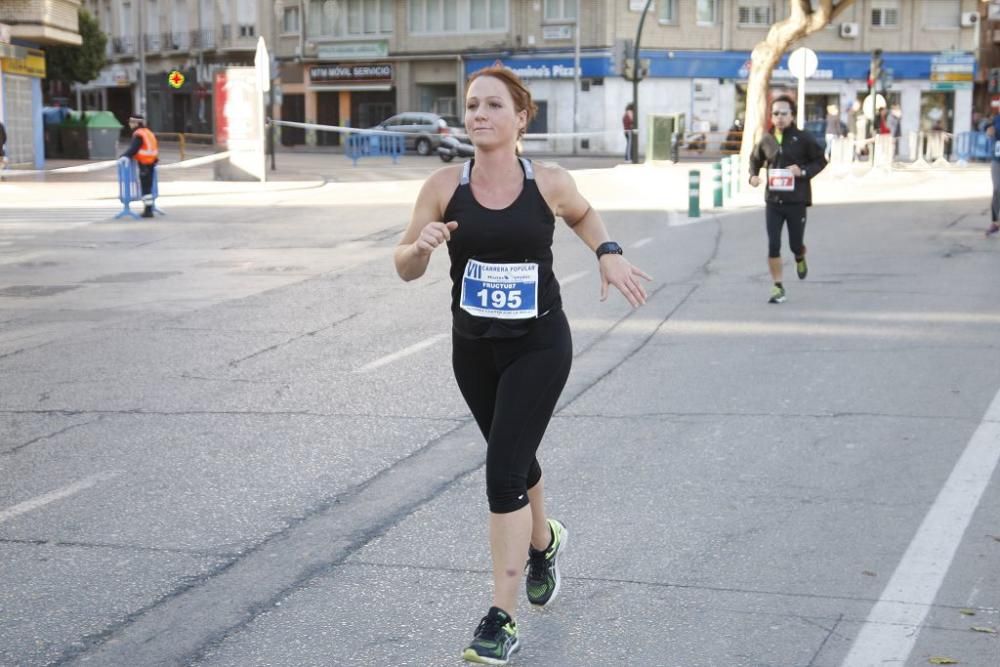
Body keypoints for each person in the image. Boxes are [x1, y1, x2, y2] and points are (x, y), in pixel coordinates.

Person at [394, 65, 651, 665]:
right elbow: (403, 265)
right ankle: (544, 541)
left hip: (539, 344)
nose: (478, 114)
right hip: (473, 348)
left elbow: (585, 216)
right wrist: (421, 248)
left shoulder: (550, 183)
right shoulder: (441, 185)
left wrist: (608, 253)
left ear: (520, 118)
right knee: (515, 454)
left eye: (491, 106)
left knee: (502, 472)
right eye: (471, 105)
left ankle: (500, 618)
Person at [748, 95, 828, 304]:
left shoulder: (803, 138)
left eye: (784, 113)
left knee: (794, 244)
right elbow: (755, 160)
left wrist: (802, 171)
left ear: (792, 116)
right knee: (773, 245)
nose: (780, 117)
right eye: (776, 113)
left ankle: (799, 256)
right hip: (773, 201)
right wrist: (753, 176)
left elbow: (821, 161)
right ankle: (778, 286)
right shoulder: (766, 139)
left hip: (797, 201)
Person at [120, 113, 159, 218]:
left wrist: (124, 156)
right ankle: (149, 209)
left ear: (136, 123)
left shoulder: (139, 134)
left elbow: (134, 148)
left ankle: (148, 211)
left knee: (145, 188)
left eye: (131, 122)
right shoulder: (148, 132)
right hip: (151, 163)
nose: (129, 124)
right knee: (148, 188)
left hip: (144, 163)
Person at [986, 115, 1000, 237]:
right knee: (997, 189)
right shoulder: (996, 119)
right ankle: (995, 223)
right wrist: (989, 132)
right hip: (997, 160)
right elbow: (987, 129)